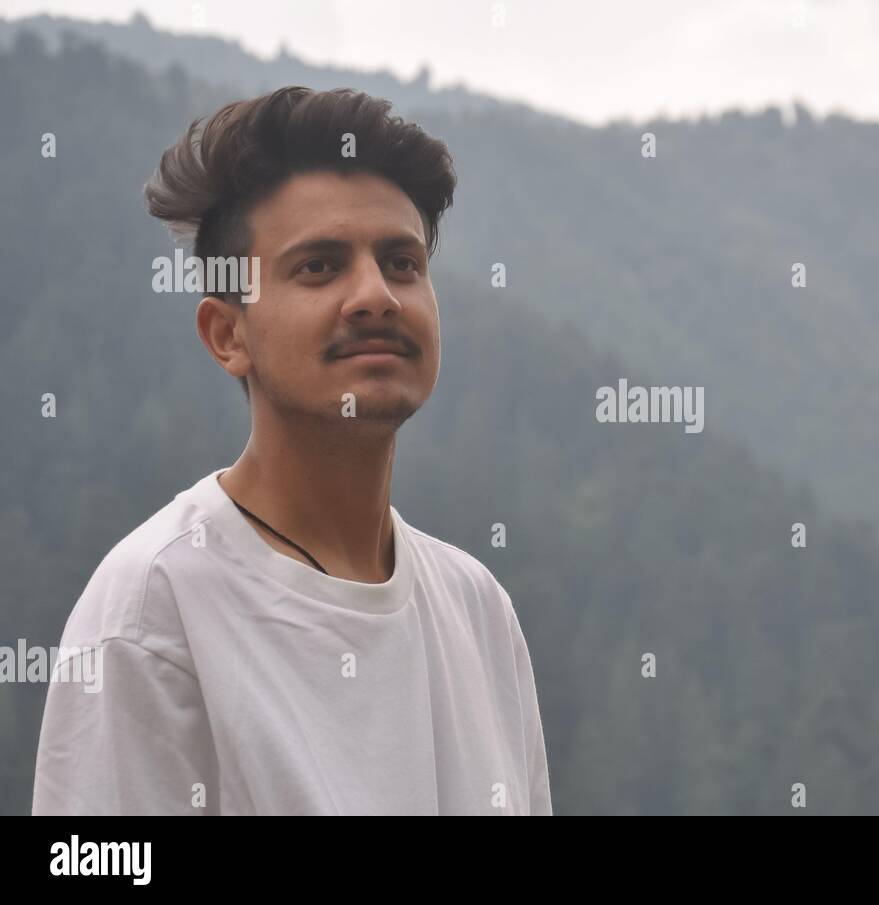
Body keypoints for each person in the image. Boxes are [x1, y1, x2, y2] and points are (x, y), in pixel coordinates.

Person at [31, 86, 551, 815]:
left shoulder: (480, 612)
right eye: (319, 267)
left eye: (402, 262)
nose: (376, 296)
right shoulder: (156, 609)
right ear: (227, 334)